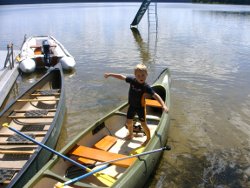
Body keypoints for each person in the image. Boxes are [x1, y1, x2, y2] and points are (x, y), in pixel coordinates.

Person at [104, 64, 168, 146]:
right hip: (132, 106)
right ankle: (131, 135)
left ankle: (148, 139)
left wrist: (163, 105)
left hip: (140, 108)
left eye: (143, 75)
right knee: (129, 122)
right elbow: (121, 77)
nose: (141, 77)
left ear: (146, 75)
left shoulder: (146, 87)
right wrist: (110, 74)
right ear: (135, 75)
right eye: (138, 75)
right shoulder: (132, 80)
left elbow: (155, 95)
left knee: (143, 124)